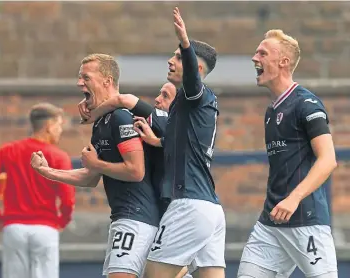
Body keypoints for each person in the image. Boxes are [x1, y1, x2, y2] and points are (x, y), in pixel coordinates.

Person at [31, 54, 160, 278]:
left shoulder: (121, 117)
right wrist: (47, 171)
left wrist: (97, 163)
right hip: (126, 218)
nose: (79, 83)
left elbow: (135, 170)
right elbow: (90, 177)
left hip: (135, 217)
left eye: (85, 77)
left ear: (107, 81)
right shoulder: (101, 122)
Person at [237, 29, 338, 278]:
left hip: (306, 219)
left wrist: (293, 199)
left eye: (262, 53)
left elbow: (328, 160)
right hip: (270, 224)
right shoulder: (271, 112)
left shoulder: (307, 103)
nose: (254, 58)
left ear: (283, 61)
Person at [136, 7, 225, 278]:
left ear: (196, 69)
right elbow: (187, 144)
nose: (171, 60)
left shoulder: (195, 93)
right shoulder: (188, 108)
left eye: (178, 56)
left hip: (189, 205)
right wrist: (158, 140)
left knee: (153, 274)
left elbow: (192, 82)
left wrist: (185, 42)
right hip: (211, 209)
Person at [79, 82, 192, 278]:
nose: (157, 99)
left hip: (169, 216)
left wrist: (94, 111)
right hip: (162, 218)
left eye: (165, 96)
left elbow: (123, 100)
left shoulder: (169, 122)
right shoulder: (163, 132)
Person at [0, 103, 75, 278]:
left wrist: (1, 218)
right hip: (45, 228)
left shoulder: (8, 151)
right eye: (59, 125)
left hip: (14, 227)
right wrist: (61, 221)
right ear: (49, 126)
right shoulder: (59, 157)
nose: (60, 130)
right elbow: (68, 198)